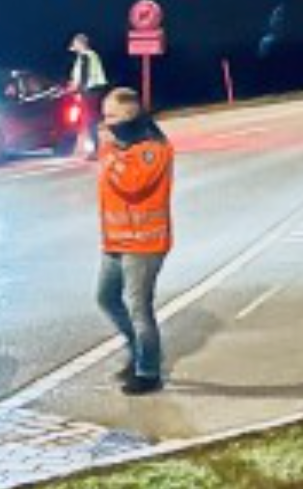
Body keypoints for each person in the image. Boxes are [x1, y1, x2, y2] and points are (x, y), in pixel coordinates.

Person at [96, 87, 174, 395]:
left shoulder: (153, 148)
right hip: (115, 241)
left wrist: (111, 152)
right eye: (104, 115)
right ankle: (137, 349)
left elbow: (132, 184)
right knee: (106, 298)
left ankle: (148, 372)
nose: (105, 122)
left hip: (144, 244)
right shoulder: (117, 145)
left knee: (139, 308)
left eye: (111, 115)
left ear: (130, 114)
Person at [68, 33, 109, 158]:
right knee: (93, 121)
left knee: (90, 121)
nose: (73, 45)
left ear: (81, 44)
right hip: (94, 91)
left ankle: (94, 150)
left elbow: (84, 77)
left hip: (89, 91)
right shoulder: (90, 55)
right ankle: (96, 148)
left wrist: (78, 90)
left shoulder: (85, 56)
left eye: (75, 43)